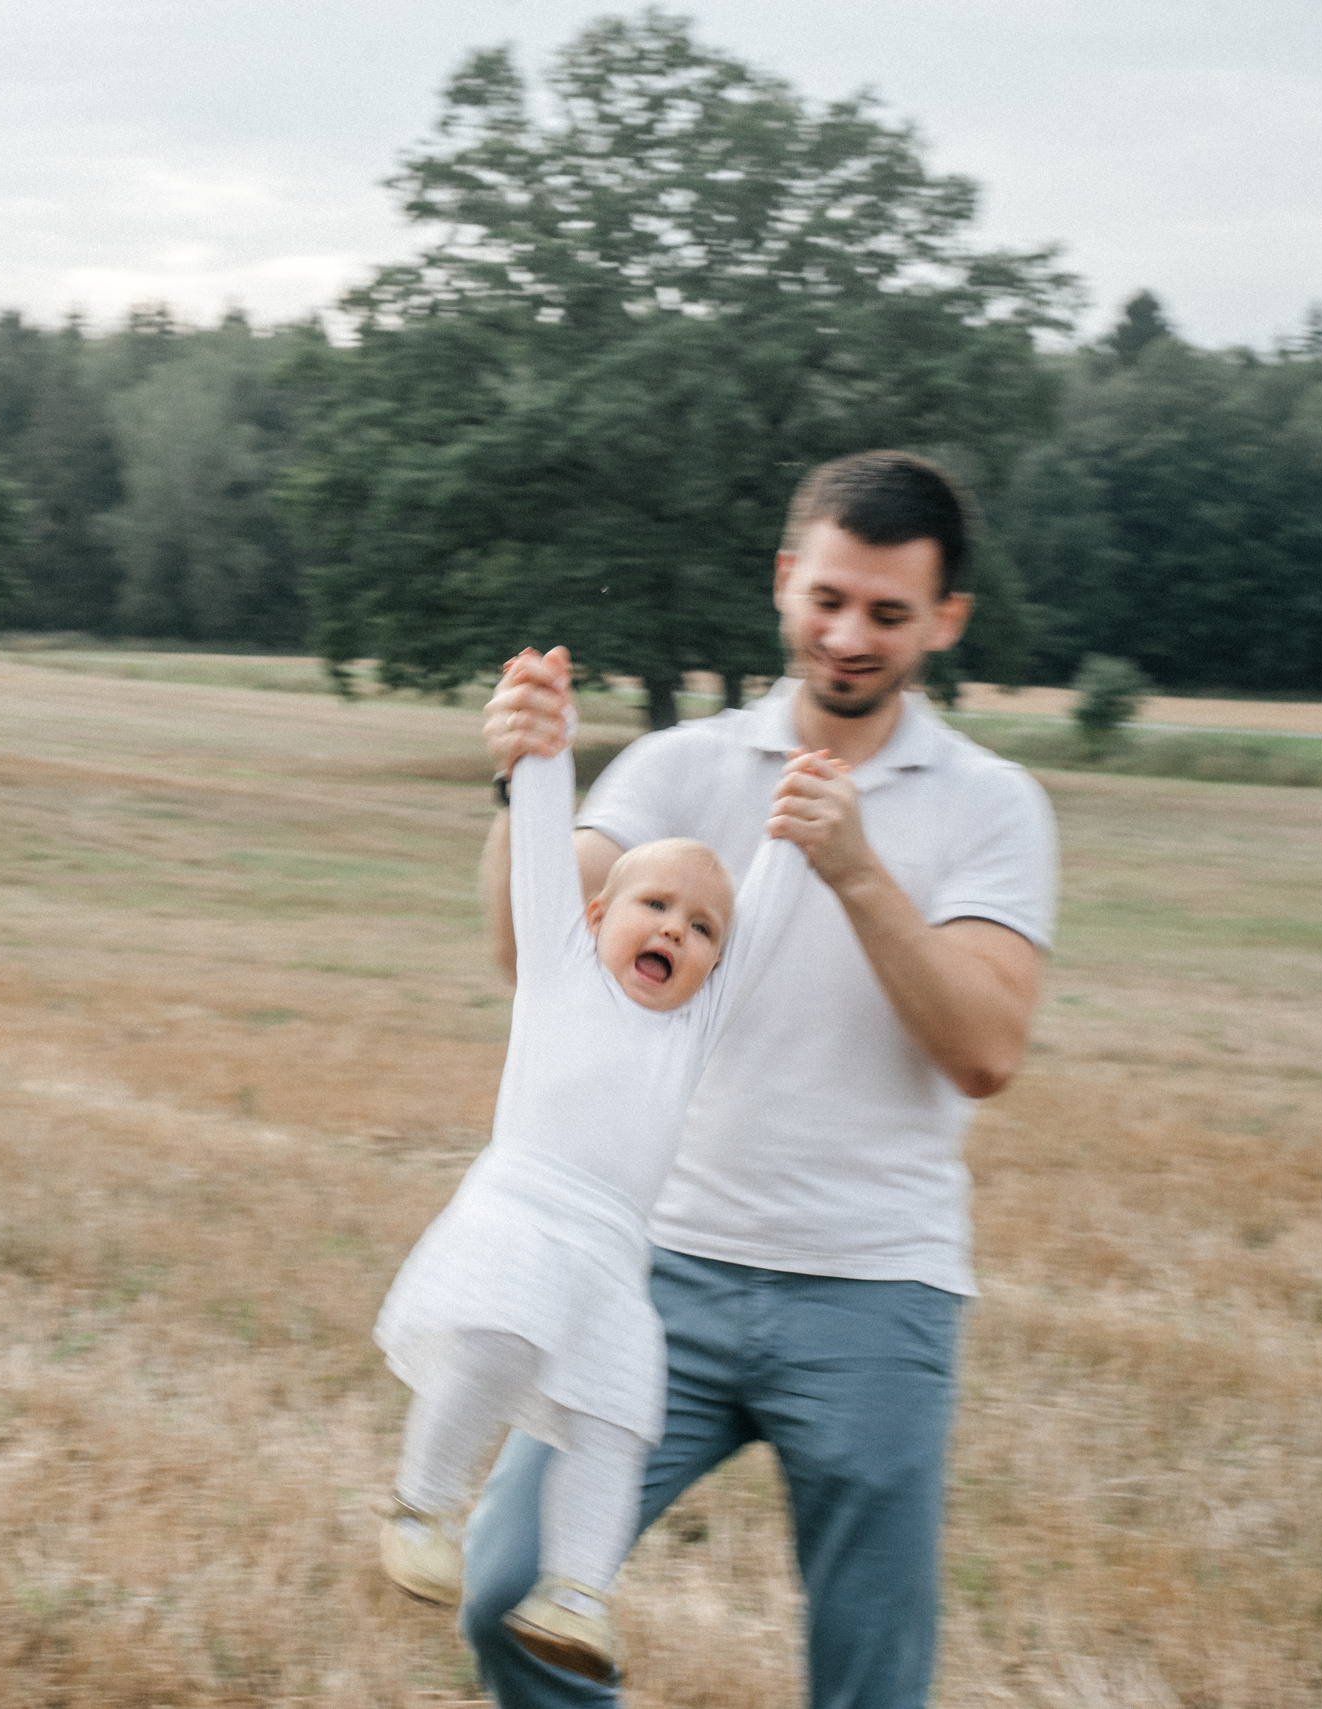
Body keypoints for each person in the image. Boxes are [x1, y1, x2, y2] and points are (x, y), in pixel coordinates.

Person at [460, 451, 1058, 1707]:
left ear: (944, 619)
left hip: (874, 1295)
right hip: (654, 1271)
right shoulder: (676, 769)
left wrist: (853, 867)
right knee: (507, 1593)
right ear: (787, 582)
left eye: (888, 612)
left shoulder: (992, 805)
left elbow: (984, 1049)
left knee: (868, 1684)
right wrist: (522, 783)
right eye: (828, 597)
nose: (848, 635)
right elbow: (531, 952)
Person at [375, 667, 822, 1684]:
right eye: (655, 905)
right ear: (593, 916)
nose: (675, 927)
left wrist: (792, 823)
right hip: (524, 1211)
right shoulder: (558, 963)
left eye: (702, 925)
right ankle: (422, 1504)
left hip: (611, 1260)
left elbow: (768, 912)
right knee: (490, 1347)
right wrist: (544, 742)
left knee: (614, 1424)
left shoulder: (697, 1021)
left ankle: (575, 1591)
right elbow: (542, 845)